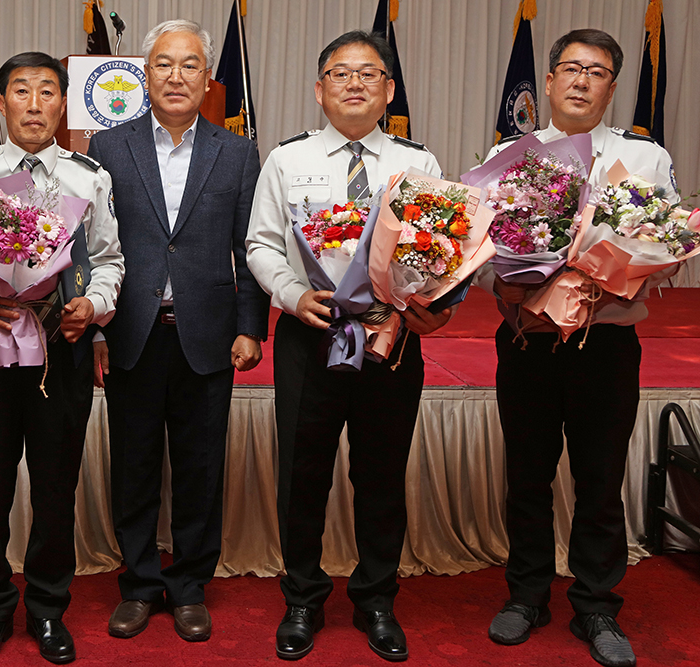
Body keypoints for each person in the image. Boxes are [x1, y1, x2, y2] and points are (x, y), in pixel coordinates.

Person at [246, 30, 451, 662]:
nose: (355, 83)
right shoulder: (286, 159)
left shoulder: (419, 164)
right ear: (319, 89)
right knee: (302, 475)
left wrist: (423, 304)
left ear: (389, 90)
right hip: (310, 338)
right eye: (340, 73)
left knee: (382, 473)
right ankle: (303, 598)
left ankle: (376, 600)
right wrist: (289, 293)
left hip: (388, 341)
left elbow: (442, 249)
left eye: (369, 74)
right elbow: (261, 244)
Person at [483, 29, 677, 667]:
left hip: (606, 344)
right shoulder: (509, 154)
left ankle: (595, 605)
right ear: (548, 79)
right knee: (527, 477)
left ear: (612, 87)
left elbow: (669, 249)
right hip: (529, 342)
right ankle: (527, 595)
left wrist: (624, 267)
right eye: (570, 68)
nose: (581, 80)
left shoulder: (645, 160)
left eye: (596, 72)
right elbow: (480, 258)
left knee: (600, 479)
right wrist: (517, 279)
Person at [87, 19, 269, 644]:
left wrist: (251, 328)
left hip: (209, 335)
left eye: (189, 65)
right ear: (145, 73)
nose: (175, 76)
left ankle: (189, 585)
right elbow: (91, 248)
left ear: (207, 77)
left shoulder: (238, 152)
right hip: (132, 331)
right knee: (132, 466)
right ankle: (139, 584)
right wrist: (96, 333)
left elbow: (250, 249)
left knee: (200, 467)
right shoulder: (108, 148)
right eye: (163, 64)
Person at [0, 52, 124, 667]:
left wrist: (94, 307)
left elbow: (109, 259)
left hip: (61, 349)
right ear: (0, 103)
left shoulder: (88, 175)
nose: (33, 103)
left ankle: (48, 610)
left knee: (55, 489)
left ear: (63, 104)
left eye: (47, 92)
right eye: (20, 91)